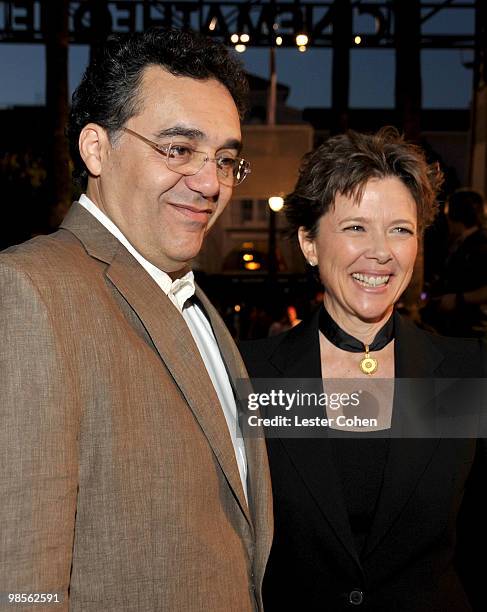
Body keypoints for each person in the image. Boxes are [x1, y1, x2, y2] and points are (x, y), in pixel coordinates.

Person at [0, 29, 272, 611]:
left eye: (225, 159)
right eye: (178, 149)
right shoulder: (30, 290)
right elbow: (21, 575)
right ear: (96, 149)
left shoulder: (200, 310)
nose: (209, 183)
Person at [240, 128, 487, 611]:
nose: (381, 251)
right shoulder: (255, 378)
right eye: (355, 227)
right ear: (309, 243)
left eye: (400, 229)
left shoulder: (463, 372)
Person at [427, 189, 487, 337]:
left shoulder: (481, 244)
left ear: (454, 215)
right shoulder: (461, 241)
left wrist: (457, 299)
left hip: (471, 330)